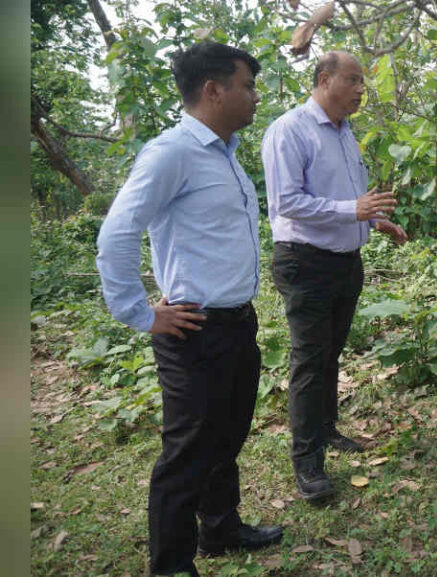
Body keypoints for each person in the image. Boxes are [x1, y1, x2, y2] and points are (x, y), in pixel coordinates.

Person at [96, 42, 282, 577]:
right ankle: (171, 564)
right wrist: (139, 312)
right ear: (213, 89)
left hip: (235, 324)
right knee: (186, 455)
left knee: (226, 436)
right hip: (194, 331)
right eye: (247, 86)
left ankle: (221, 528)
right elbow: (117, 234)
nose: (253, 97)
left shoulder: (224, 152)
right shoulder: (171, 153)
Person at [261, 51, 407, 502]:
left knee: (330, 354)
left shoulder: (346, 134)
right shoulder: (290, 129)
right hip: (305, 262)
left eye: (362, 81)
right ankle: (307, 463)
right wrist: (352, 209)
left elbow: (345, 198)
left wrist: (371, 221)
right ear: (325, 80)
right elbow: (286, 201)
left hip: (346, 261)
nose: (362, 89)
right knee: (309, 361)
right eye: (353, 80)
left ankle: (325, 430)